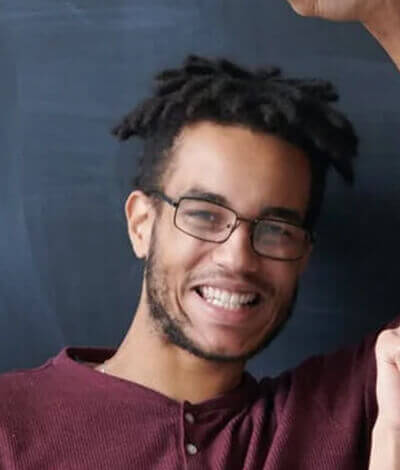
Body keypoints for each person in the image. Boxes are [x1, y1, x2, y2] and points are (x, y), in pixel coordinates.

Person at [0, 0, 399, 469]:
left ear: (304, 255)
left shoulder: (352, 406)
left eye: (275, 229)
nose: (237, 257)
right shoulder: (11, 424)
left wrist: (387, 14)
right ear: (141, 224)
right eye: (205, 215)